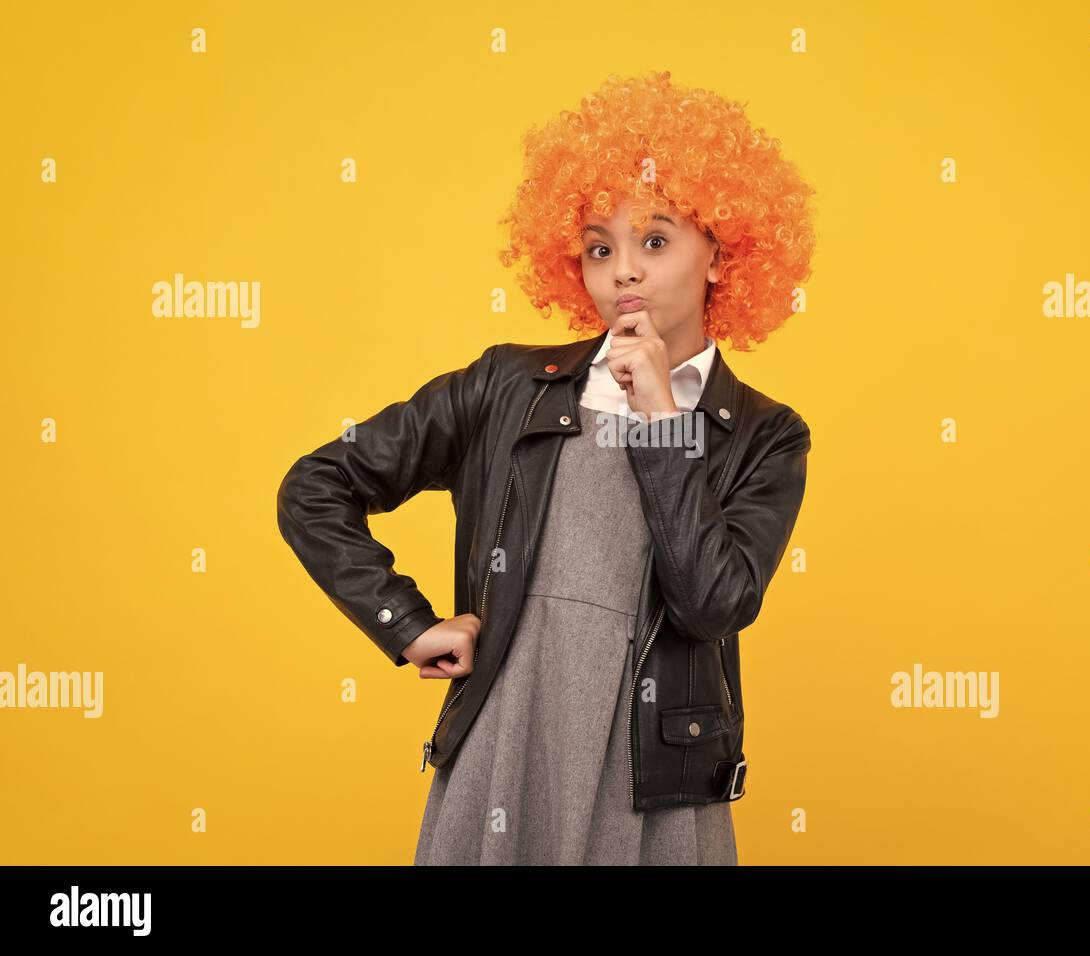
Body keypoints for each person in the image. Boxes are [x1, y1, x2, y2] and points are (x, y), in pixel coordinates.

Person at [276, 70, 815, 865]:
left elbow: (712, 604)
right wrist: (408, 623)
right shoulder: (507, 386)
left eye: (655, 241)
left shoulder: (765, 434)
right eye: (600, 248)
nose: (623, 271)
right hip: (509, 737)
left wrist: (663, 419)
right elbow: (316, 486)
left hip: (654, 774)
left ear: (721, 254)